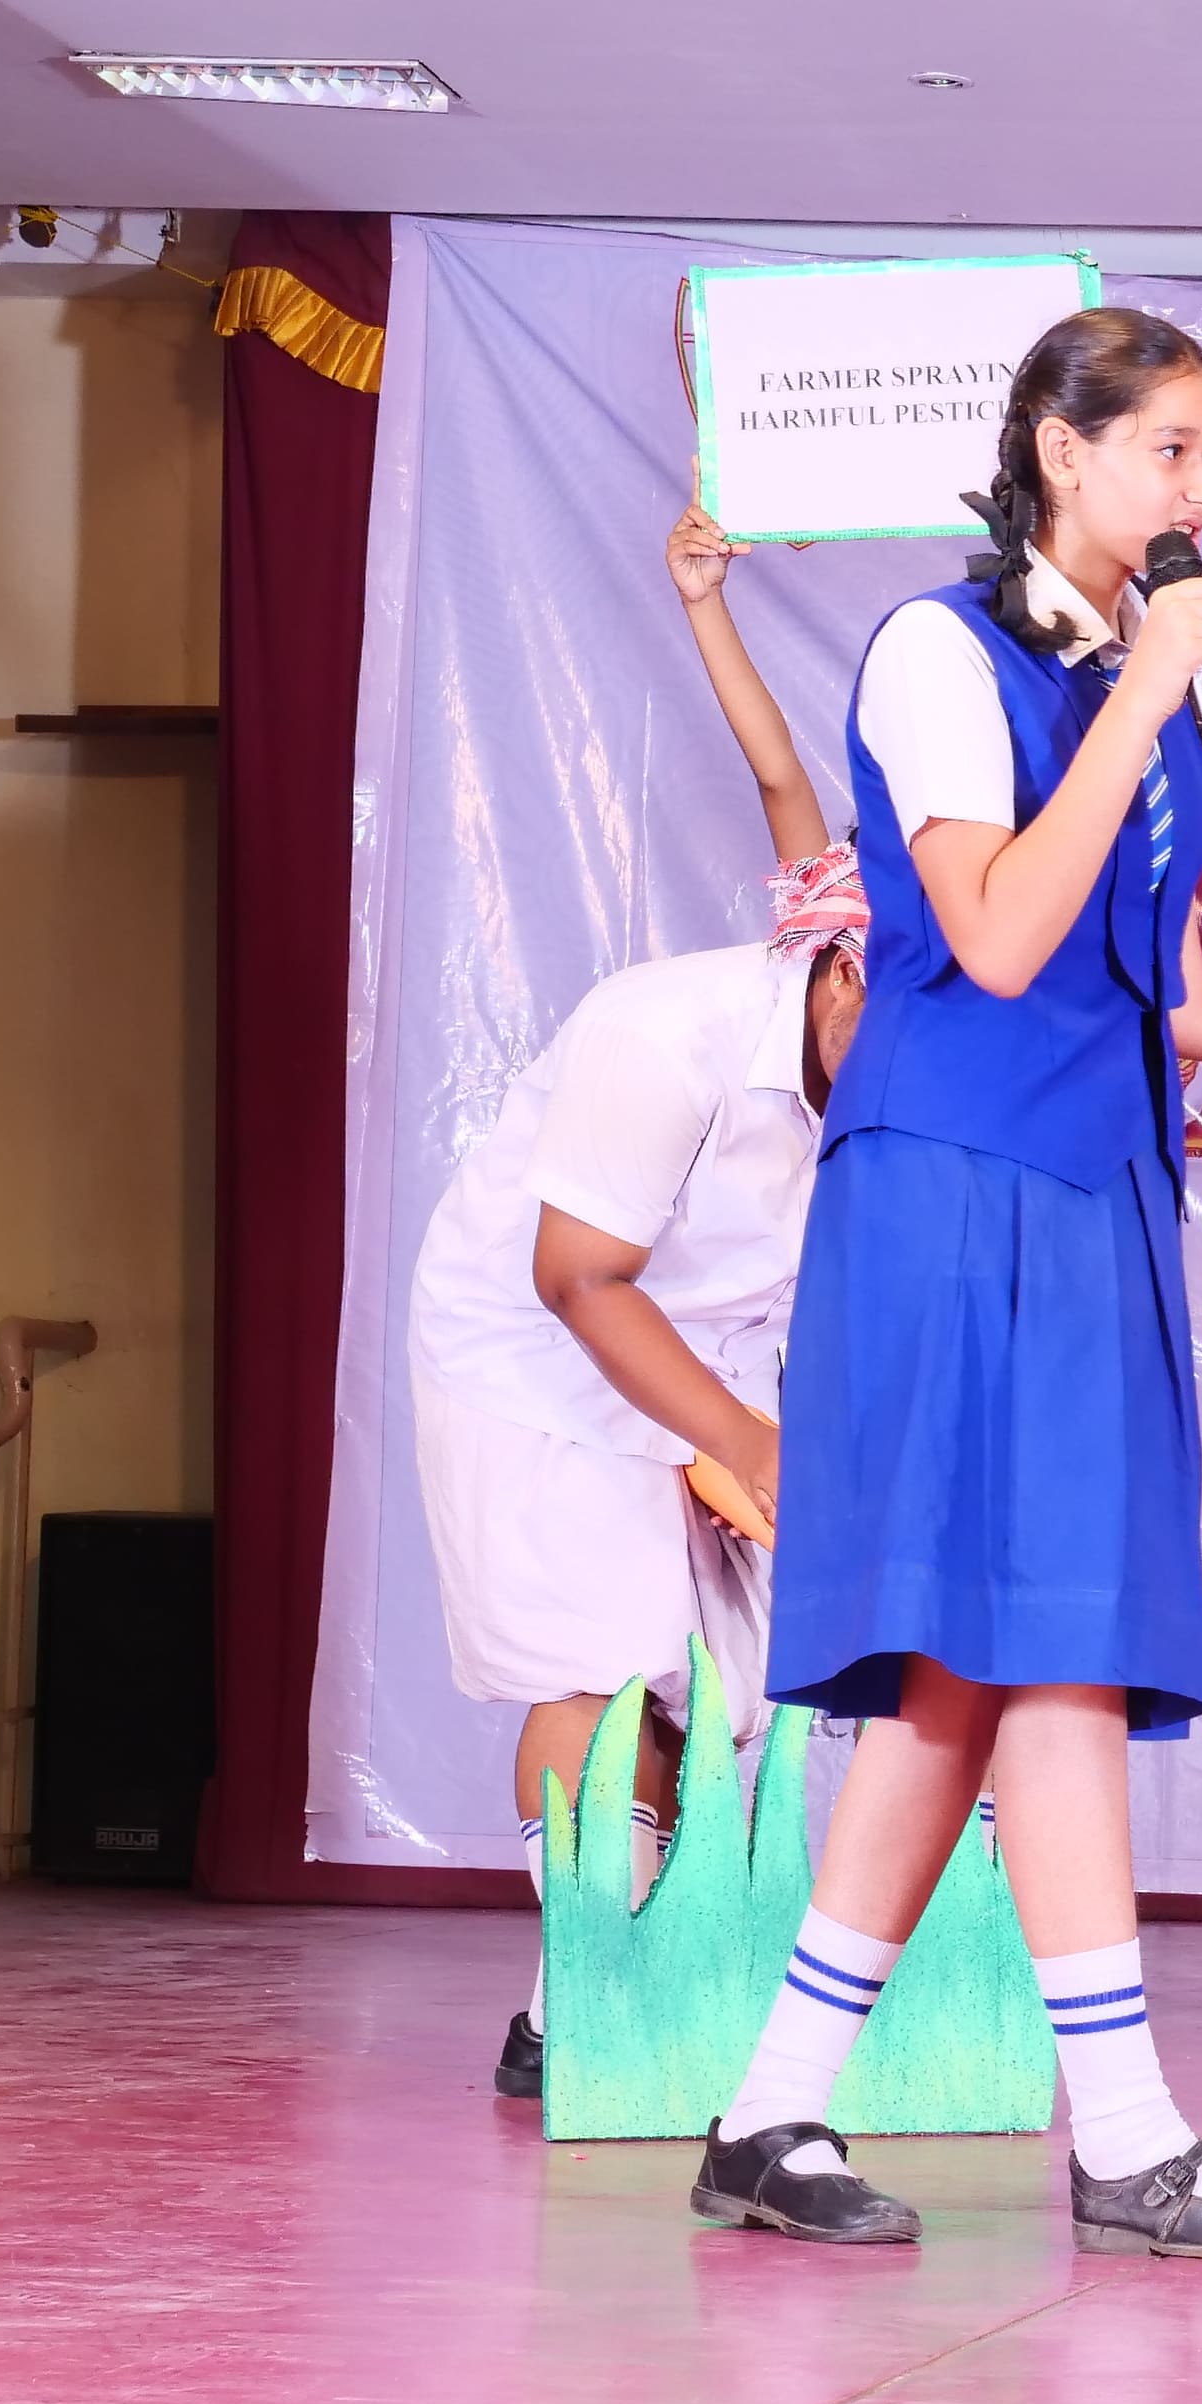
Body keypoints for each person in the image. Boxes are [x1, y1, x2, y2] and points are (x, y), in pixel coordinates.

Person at [704, 305, 1202, 2258]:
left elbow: (1152, 993)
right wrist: (1143, 696)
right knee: (1039, 1643)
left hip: (1094, 1188)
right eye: (1172, 451)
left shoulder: (1127, 675)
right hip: (959, 1189)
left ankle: (769, 2114)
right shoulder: (938, 654)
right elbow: (993, 931)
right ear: (1063, 452)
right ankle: (1128, 2138)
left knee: (974, 1671)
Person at [411, 513, 877, 2103]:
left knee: (726, 1696)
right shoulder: (666, 1030)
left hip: (708, 1345)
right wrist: (743, 1441)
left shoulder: (892, 1022)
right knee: (604, 1666)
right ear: (840, 975)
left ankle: (647, 1981)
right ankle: (576, 2007)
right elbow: (576, 1281)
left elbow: (786, 787)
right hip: (538, 1354)